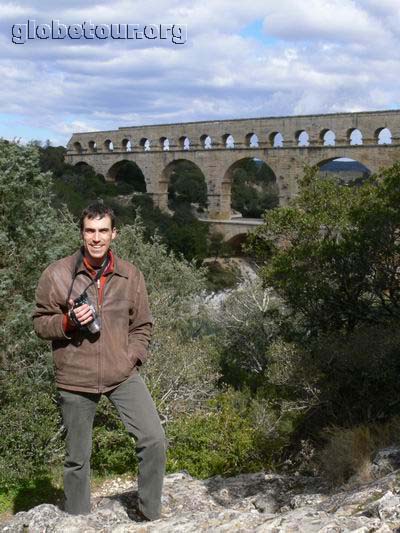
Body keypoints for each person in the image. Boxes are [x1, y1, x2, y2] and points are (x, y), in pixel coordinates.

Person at [32, 203, 166, 521]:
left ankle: (150, 517)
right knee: (77, 459)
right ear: (82, 233)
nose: (96, 238)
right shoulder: (57, 273)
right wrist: (67, 323)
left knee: (154, 439)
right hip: (75, 376)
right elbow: (39, 323)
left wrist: (132, 356)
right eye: (90, 231)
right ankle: (78, 523)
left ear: (113, 234)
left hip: (121, 373)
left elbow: (143, 324)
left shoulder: (130, 274)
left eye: (103, 231)